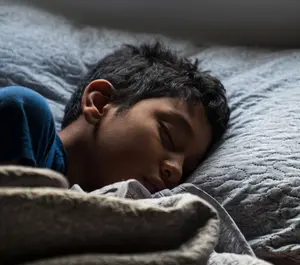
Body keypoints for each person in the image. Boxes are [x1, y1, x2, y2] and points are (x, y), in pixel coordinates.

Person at [0, 42, 229, 192]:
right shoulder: (24, 117)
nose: (176, 171)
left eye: (188, 168)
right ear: (99, 102)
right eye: (169, 135)